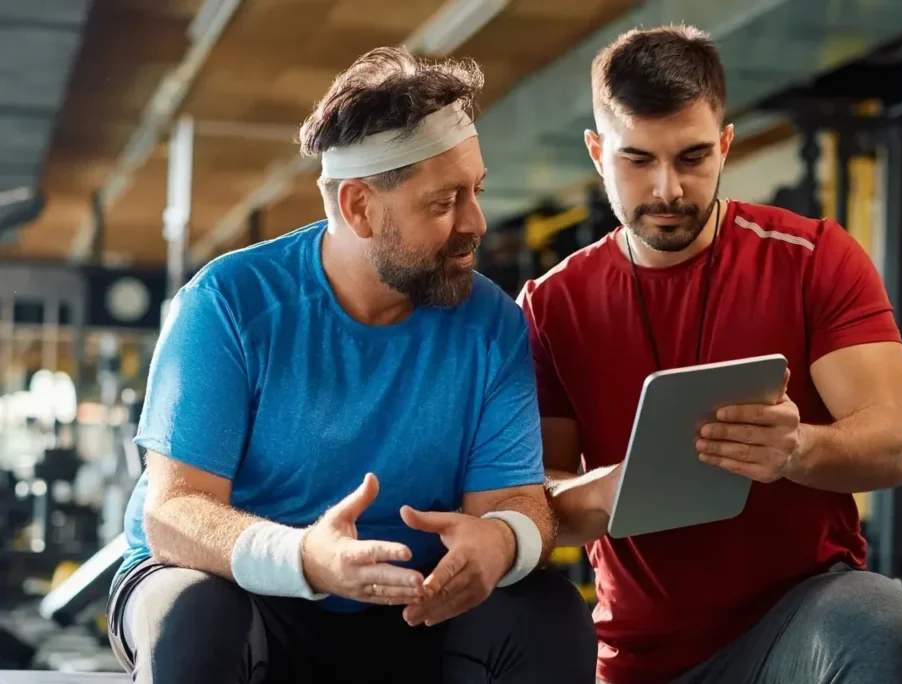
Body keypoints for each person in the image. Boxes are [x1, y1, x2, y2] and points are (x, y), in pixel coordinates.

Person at [106, 47, 596, 684]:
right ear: (360, 206)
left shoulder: (493, 324)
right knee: (194, 616)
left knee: (548, 613)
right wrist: (303, 557)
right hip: (247, 591)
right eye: (443, 202)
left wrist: (503, 538)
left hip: (413, 602)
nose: (475, 222)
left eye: (475, 190)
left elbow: (513, 500)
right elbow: (173, 513)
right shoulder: (229, 303)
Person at [517, 25, 902, 684]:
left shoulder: (813, 258)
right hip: (641, 652)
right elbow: (528, 501)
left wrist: (800, 449)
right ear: (597, 152)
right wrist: (606, 490)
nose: (667, 190)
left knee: (882, 616)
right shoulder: (550, 306)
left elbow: (900, 447)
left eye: (692, 158)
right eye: (637, 160)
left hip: (796, 626)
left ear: (726, 144)